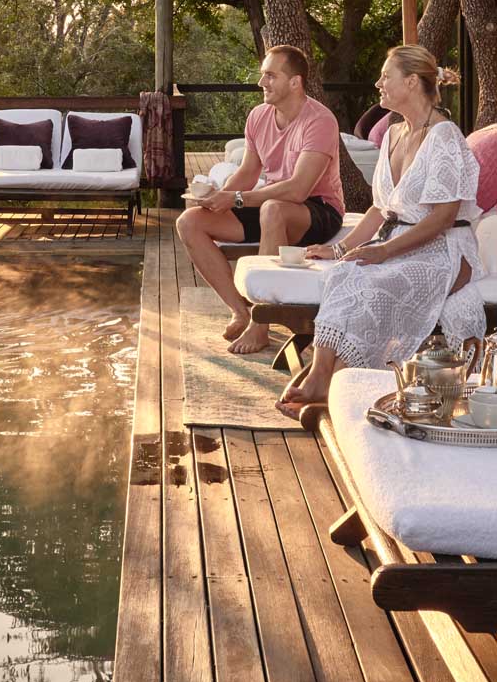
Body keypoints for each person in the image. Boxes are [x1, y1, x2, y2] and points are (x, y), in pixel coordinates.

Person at [277, 46, 485, 421]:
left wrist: (384, 253)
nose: (378, 83)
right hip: (399, 243)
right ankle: (325, 376)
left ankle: (331, 380)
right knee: (344, 273)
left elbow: (442, 217)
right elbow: (380, 208)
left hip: (445, 250)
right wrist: (340, 249)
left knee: (373, 283)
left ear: (410, 82)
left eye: (385, 76)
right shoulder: (391, 135)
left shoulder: (445, 136)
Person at [176, 45, 344, 354]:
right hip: (272, 203)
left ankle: (260, 324)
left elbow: (298, 190)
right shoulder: (258, 116)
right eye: (262, 74)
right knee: (189, 222)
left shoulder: (319, 120)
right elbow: (249, 171)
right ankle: (240, 310)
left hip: (318, 210)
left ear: (295, 82)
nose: (261, 82)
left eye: (270, 75)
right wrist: (219, 195)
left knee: (273, 210)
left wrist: (237, 198)